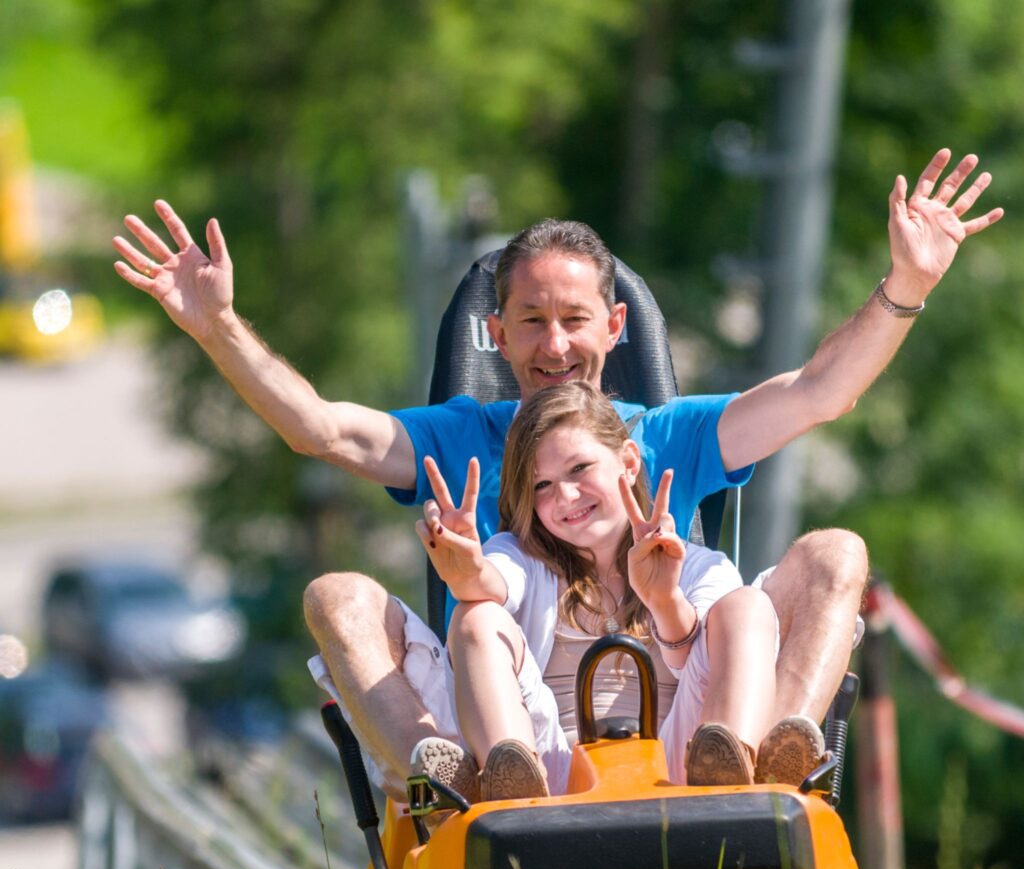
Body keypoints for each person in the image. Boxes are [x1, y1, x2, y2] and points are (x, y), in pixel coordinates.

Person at [113, 148, 1002, 800]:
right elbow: (320, 431)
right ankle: (445, 788)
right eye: (530, 322)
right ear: (494, 336)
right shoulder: (463, 437)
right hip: (524, 716)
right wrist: (219, 329)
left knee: (836, 552)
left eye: (574, 319)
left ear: (615, 327)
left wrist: (905, 285)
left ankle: (774, 763)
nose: (555, 345)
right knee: (337, 596)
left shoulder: (672, 435)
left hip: (678, 707)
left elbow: (820, 393)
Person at [412, 382, 783, 800]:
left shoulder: (699, 566)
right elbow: (494, 582)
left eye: (578, 469)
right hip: (554, 780)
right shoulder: (522, 558)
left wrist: (664, 601)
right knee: (476, 616)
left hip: (682, 770)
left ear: (627, 462)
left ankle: (732, 778)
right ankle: (510, 793)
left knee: (748, 606)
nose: (566, 496)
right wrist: (467, 573)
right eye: (542, 486)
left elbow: (693, 661)